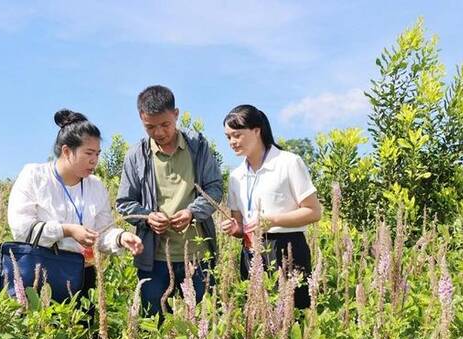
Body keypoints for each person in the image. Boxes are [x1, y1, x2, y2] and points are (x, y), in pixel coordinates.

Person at [8, 109, 143, 304]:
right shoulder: (35, 176)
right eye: (88, 153)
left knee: (83, 329)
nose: (94, 160)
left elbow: (102, 232)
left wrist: (121, 237)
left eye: (97, 154)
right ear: (66, 151)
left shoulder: (95, 185)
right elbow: (21, 230)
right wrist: (67, 231)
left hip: (82, 274)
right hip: (40, 273)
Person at [116, 85, 223, 316]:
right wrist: (147, 217)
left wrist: (192, 213)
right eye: (150, 127)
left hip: (197, 254)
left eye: (165, 124)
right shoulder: (136, 156)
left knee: (201, 323)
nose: (159, 132)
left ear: (176, 114)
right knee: (153, 323)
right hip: (153, 258)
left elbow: (214, 189)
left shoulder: (198, 146)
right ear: (141, 119)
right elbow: (124, 202)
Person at [220, 105, 321, 309]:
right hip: (250, 251)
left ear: (257, 130)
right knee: (257, 319)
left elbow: (314, 211)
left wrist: (271, 220)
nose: (232, 142)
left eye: (237, 135)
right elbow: (240, 225)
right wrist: (235, 229)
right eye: (228, 137)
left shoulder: (289, 162)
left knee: (294, 320)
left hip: (287, 248)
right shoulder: (236, 176)